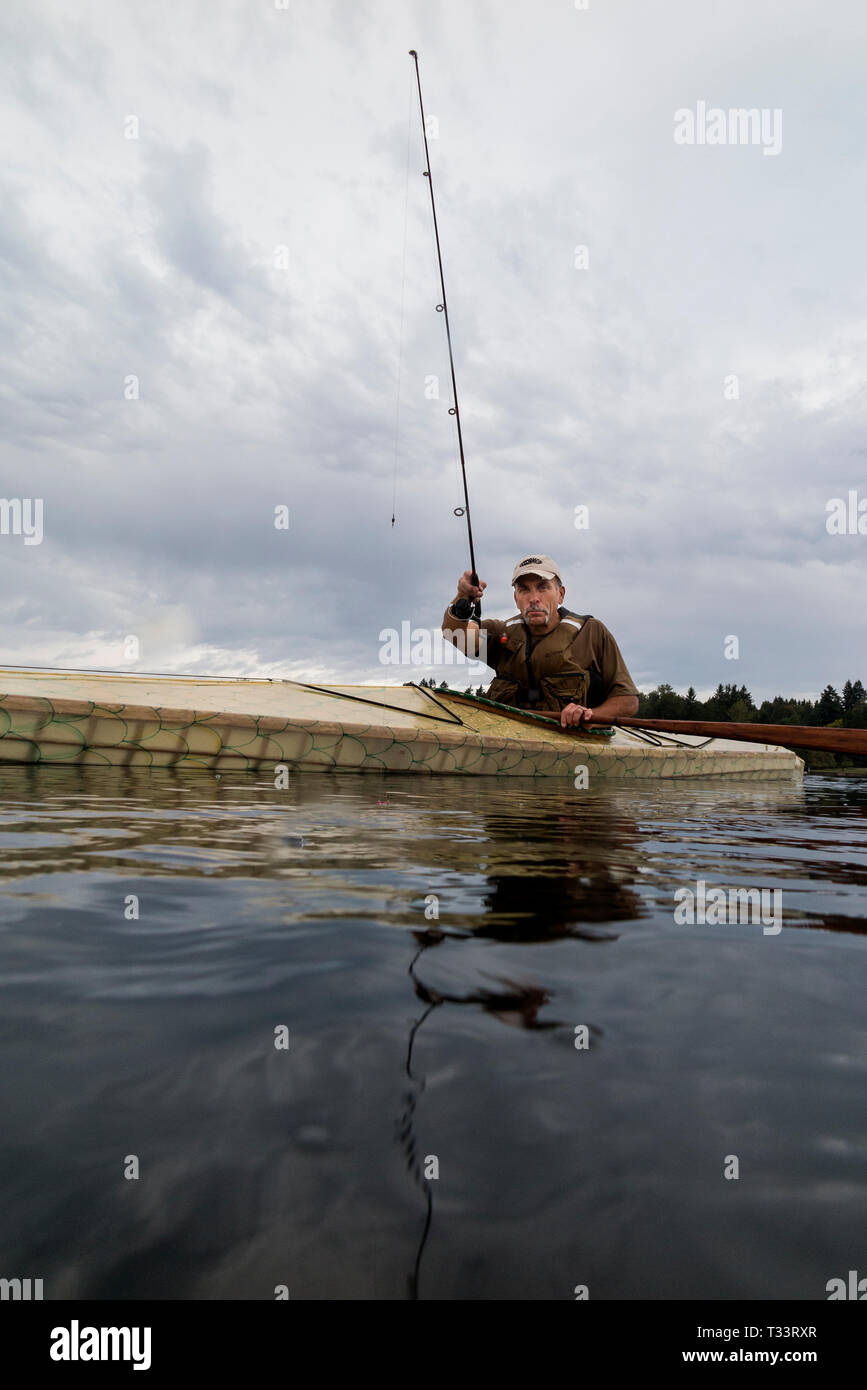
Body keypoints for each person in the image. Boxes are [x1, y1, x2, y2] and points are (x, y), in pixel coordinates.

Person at [441, 553, 640, 729]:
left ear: (560, 594)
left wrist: (591, 716)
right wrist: (462, 598)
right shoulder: (501, 632)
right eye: (524, 590)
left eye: (543, 587)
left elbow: (628, 701)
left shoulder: (592, 632)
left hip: (574, 744)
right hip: (510, 744)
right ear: (516, 598)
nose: (534, 598)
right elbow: (454, 635)